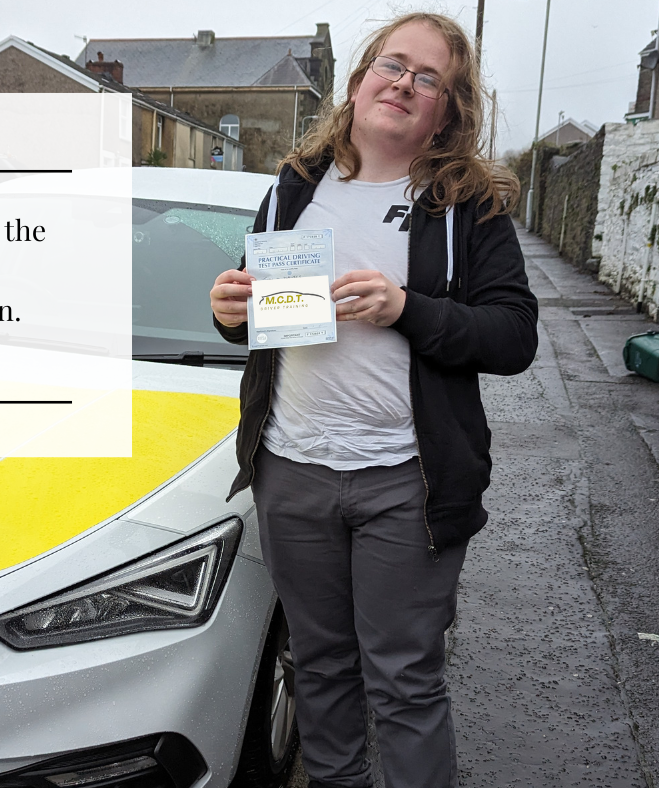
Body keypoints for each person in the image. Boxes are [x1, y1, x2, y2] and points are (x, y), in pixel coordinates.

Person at [209, 12, 538, 788]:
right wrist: (227, 314)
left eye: (430, 79)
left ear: (447, 112)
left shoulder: (467, 205)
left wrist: (406, 308)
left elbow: (514, 336)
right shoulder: (294, 186)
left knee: (405, 681)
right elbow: (259, 315)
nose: (405, 84)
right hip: (293, 470)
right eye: (393, 66)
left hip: (407, 482)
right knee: (319, 668)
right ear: (358, 83)